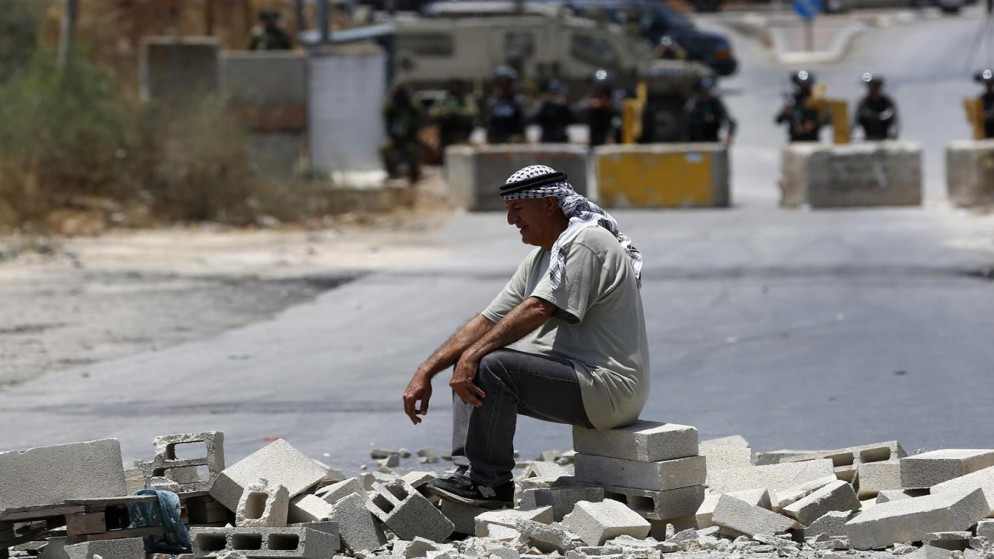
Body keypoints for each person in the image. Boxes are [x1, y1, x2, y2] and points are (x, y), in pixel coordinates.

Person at [402, 164, 649, 507]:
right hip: (576, 381)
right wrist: (425, 371)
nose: (511, 221)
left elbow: (538, 308)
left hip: (608, 389)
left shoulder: (587, 242)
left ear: (548, 205)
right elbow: (488, 321)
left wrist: (473, 356)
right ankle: (469, 473)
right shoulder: (544, 256)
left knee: (488, 363)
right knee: (473, 357)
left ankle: (489, 484)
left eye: (517, 209)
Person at [379, 82, 423, 182]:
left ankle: (414, 175)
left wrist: (409, 97)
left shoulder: (412, 103)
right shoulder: (392, 104)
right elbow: (386, 117)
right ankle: (392, 173)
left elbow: (419, 113)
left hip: (410, 138)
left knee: (412, 150)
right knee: (384, 148)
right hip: (396, 137)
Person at [430, 79, 479, 161]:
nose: (454, 87)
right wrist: (445, 113)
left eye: (456, 85)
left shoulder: (466, 99)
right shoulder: (442, 99)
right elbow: (433, 113)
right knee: (447, 160)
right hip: (446, 135)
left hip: (462, 134)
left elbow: (473, 112)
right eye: (452, 85)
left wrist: (458, 113)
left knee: (463, 159)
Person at [775, 70, 828, 143]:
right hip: (795, 141)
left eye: (806, 84)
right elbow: (778, 120)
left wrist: (814, 124)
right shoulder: (793, 101)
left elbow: (826, 119)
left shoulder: (816, 100)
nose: (804, 87)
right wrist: (784, 113)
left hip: (812, 140)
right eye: (802, 84)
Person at [684, 76, 736, 144]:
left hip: (712, 139)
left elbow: (731, 122)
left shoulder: (716, 104)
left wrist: (729, 136)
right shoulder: (693, 103)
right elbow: (684, 120)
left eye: (708, 91)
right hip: (694, 140)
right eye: (703, 91)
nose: (706, 94)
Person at [484, 66, 527, 144]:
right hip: (496, 141)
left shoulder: (518, 100)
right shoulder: (492, 100)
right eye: (501, 83)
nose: (504, 86)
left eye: (507, 83)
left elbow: (525, 120)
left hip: (514, 142)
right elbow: (489, 123)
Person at [578, 69, 620, 147]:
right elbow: (578, 109)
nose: (601, 88)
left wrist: (609, 105)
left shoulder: (615, 97)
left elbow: (620, 115)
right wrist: (590, 105)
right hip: (594, 136)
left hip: (611, 136)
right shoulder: (592, 97)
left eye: (603, 85)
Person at [853, 73, 899, 140]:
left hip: (885, 138)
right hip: (868, 138)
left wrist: (894, 135)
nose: (873, 90)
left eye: (875, 87)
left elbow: (894, 122)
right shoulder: (863, 103)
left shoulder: (887, 102)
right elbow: (856, 122)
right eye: (871, 87)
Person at [530, 79, 576, 144]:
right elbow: (533, 118)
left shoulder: (565, 105)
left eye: (556, 94)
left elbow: (574, 119)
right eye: (551, 93)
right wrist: (543, 104)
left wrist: (566, 106)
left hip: (562, 138)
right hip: (546, 139)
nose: (554, 97)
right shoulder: (543, 105)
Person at [976, 69, 994, 139]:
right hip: (984, 132)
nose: (989, 85)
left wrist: (987, 115)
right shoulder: (981, 98)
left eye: (990, 83)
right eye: (987, 83)